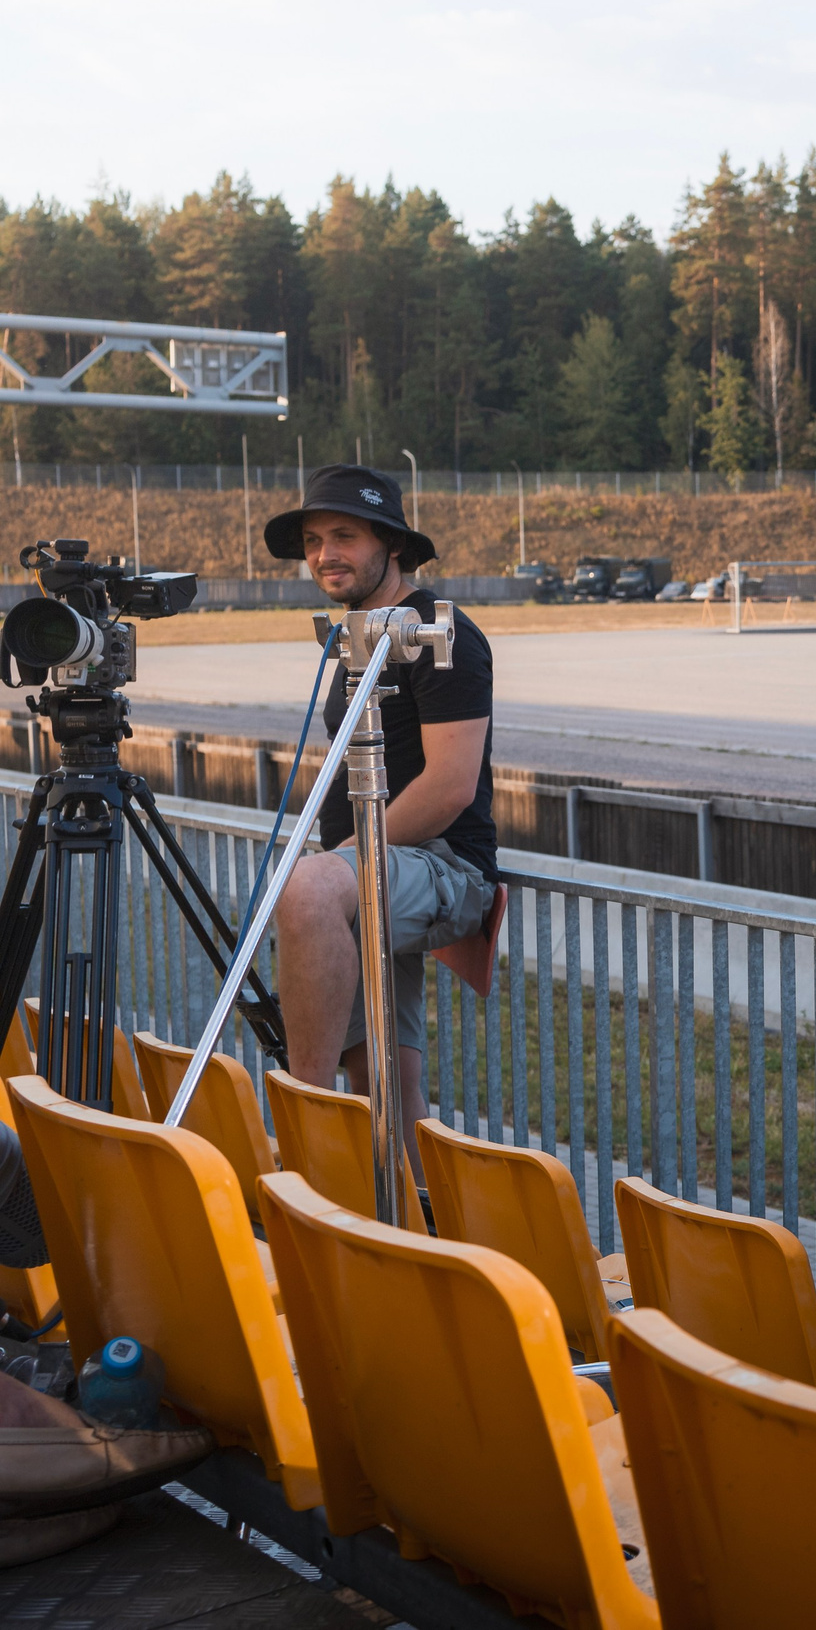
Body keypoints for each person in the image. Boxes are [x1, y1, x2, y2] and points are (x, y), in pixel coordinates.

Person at [268, 468, 498, 1181]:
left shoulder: (440, 632)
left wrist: (340, 860)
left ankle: (301, 1136)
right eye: (312, 541)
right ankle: (419, 1234)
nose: (324, 553)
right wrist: (345, 862)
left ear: (390, 545)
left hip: (441, 864)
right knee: (386, 1087)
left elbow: (450, 785)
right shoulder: (350, 639)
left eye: (343, 536)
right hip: (372, 867)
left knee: (304, 890)